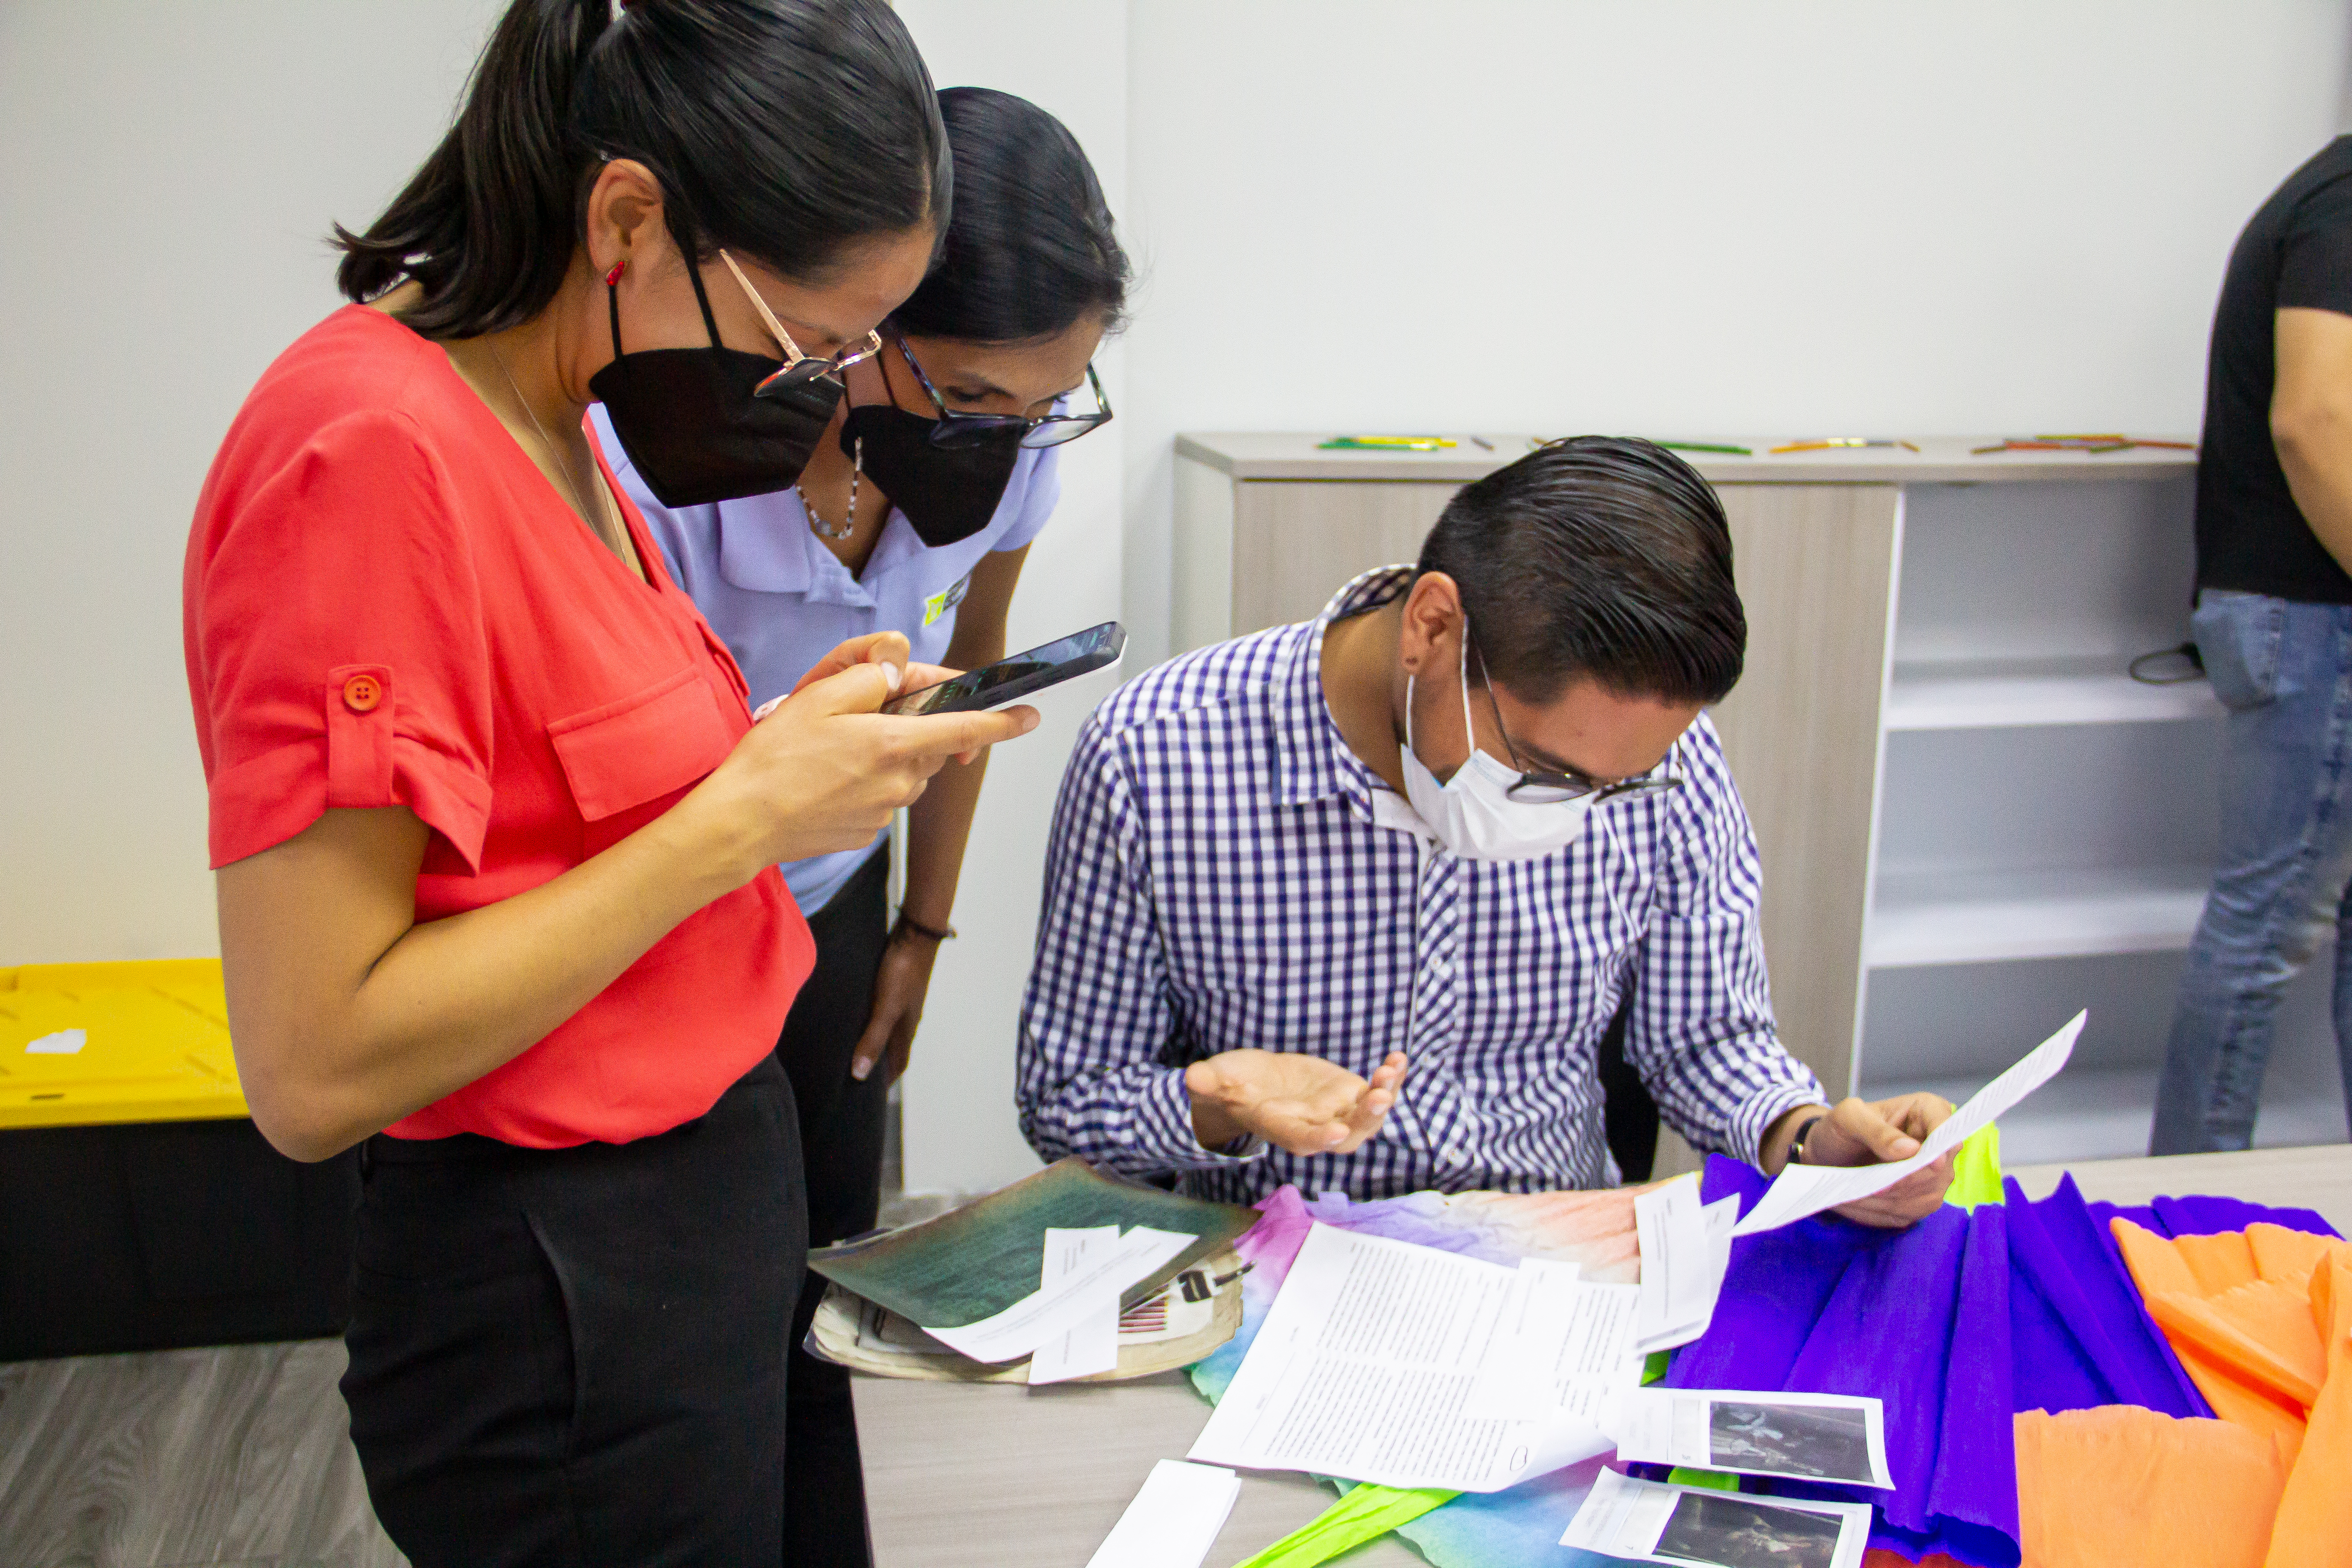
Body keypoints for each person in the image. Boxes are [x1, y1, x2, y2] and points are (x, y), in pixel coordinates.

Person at [181, 2, 1036, 1563]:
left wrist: (779, 743)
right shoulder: (368, 452)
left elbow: (548, 815)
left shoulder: (552, 428)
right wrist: (746, 818)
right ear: (627, 219)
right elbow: (314, 1061)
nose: (837, 390)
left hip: (690, 1219)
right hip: (555, 1279)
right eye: (815, 344)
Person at [593, 86, 1124, 1568]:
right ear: (863, 319)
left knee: (830, 1276)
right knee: (702, 1300)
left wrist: (920, 925)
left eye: (1050, 403)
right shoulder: (668, 461)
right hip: (662, 910)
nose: (1009, 438)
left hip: (837, 900)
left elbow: (970, 695)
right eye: (969, 394)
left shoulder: (999, 452)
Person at [1019, 438, 1954, 1221]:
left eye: (1614, 787)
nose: (1583, 807)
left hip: (1553, 1266)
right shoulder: (1158, 755)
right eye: (1549, 773)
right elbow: (1068, 1104)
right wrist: (1212, 1105)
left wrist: (1802, 1136)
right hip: (1271, 1273)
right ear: (1432, 627)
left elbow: (1708, 1040)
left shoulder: (1667, 761)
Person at [2153, 137, 2352, 1155]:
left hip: (2304, 615)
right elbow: (2314, 419)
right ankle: (2183, 1204)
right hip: (2318, 618)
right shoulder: (2345, 201)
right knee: (2266, 928)